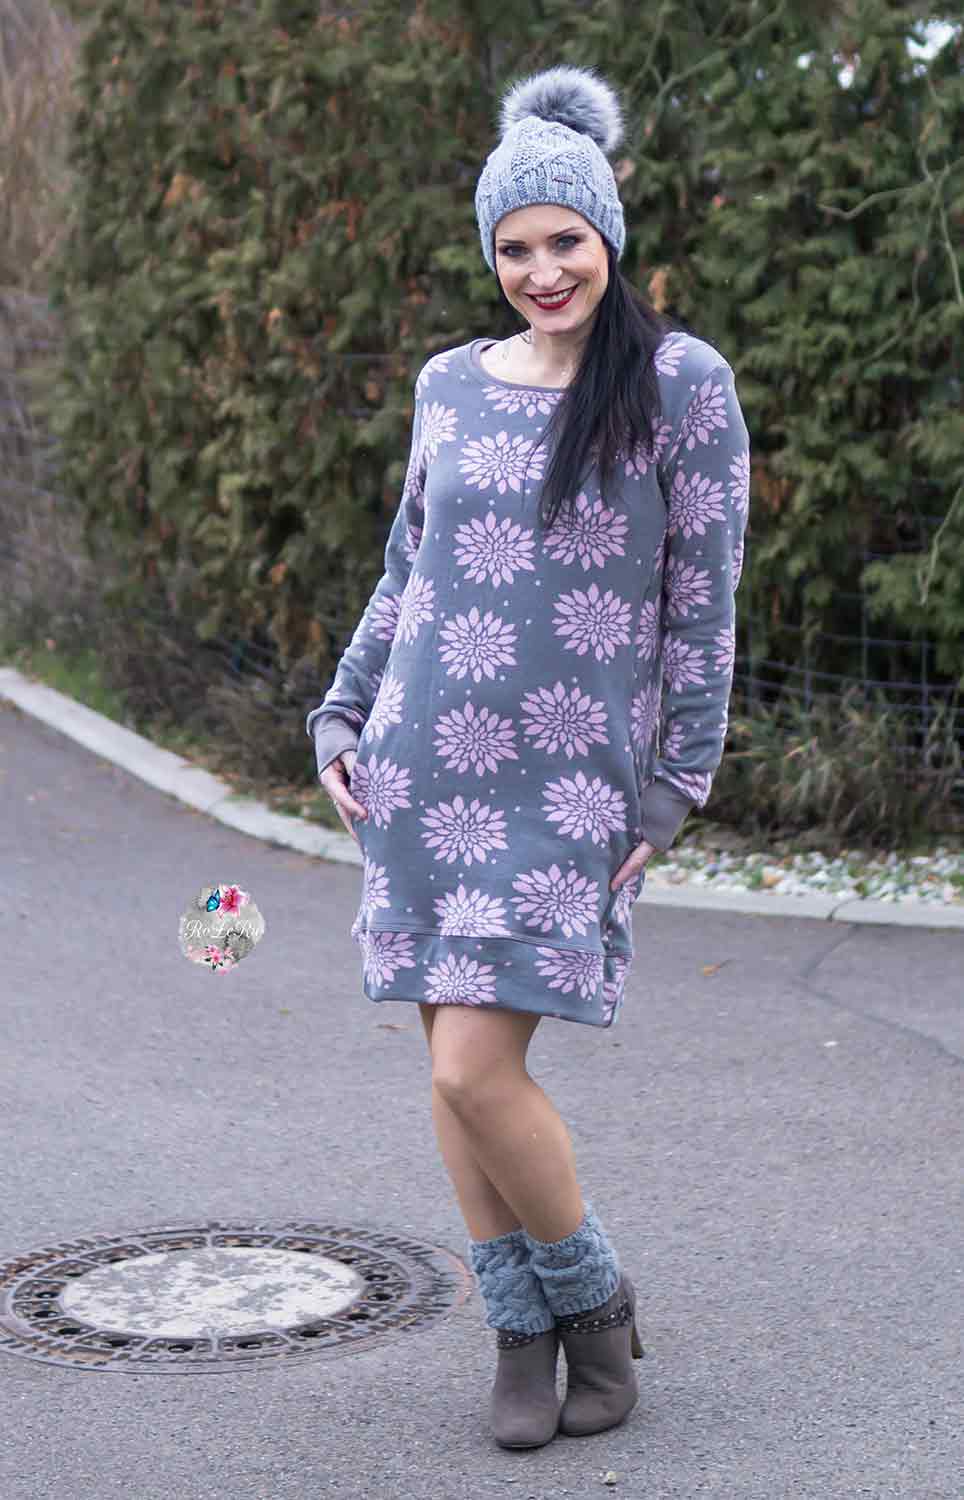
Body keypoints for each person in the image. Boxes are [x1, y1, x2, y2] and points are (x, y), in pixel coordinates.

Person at [306, 64, 750, 1449]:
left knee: (471, 1072)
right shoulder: (450, 384)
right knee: (450, 1063)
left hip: (568, 781)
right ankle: (522, 1331)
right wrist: (339, 712)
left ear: (607, 234)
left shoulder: (679, 386)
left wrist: (675, 784)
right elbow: (408, 570)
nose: (541, 271)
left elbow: (704, 602)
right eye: (514, 247)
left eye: (564, 239)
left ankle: (595, 1308)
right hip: (420, 769)